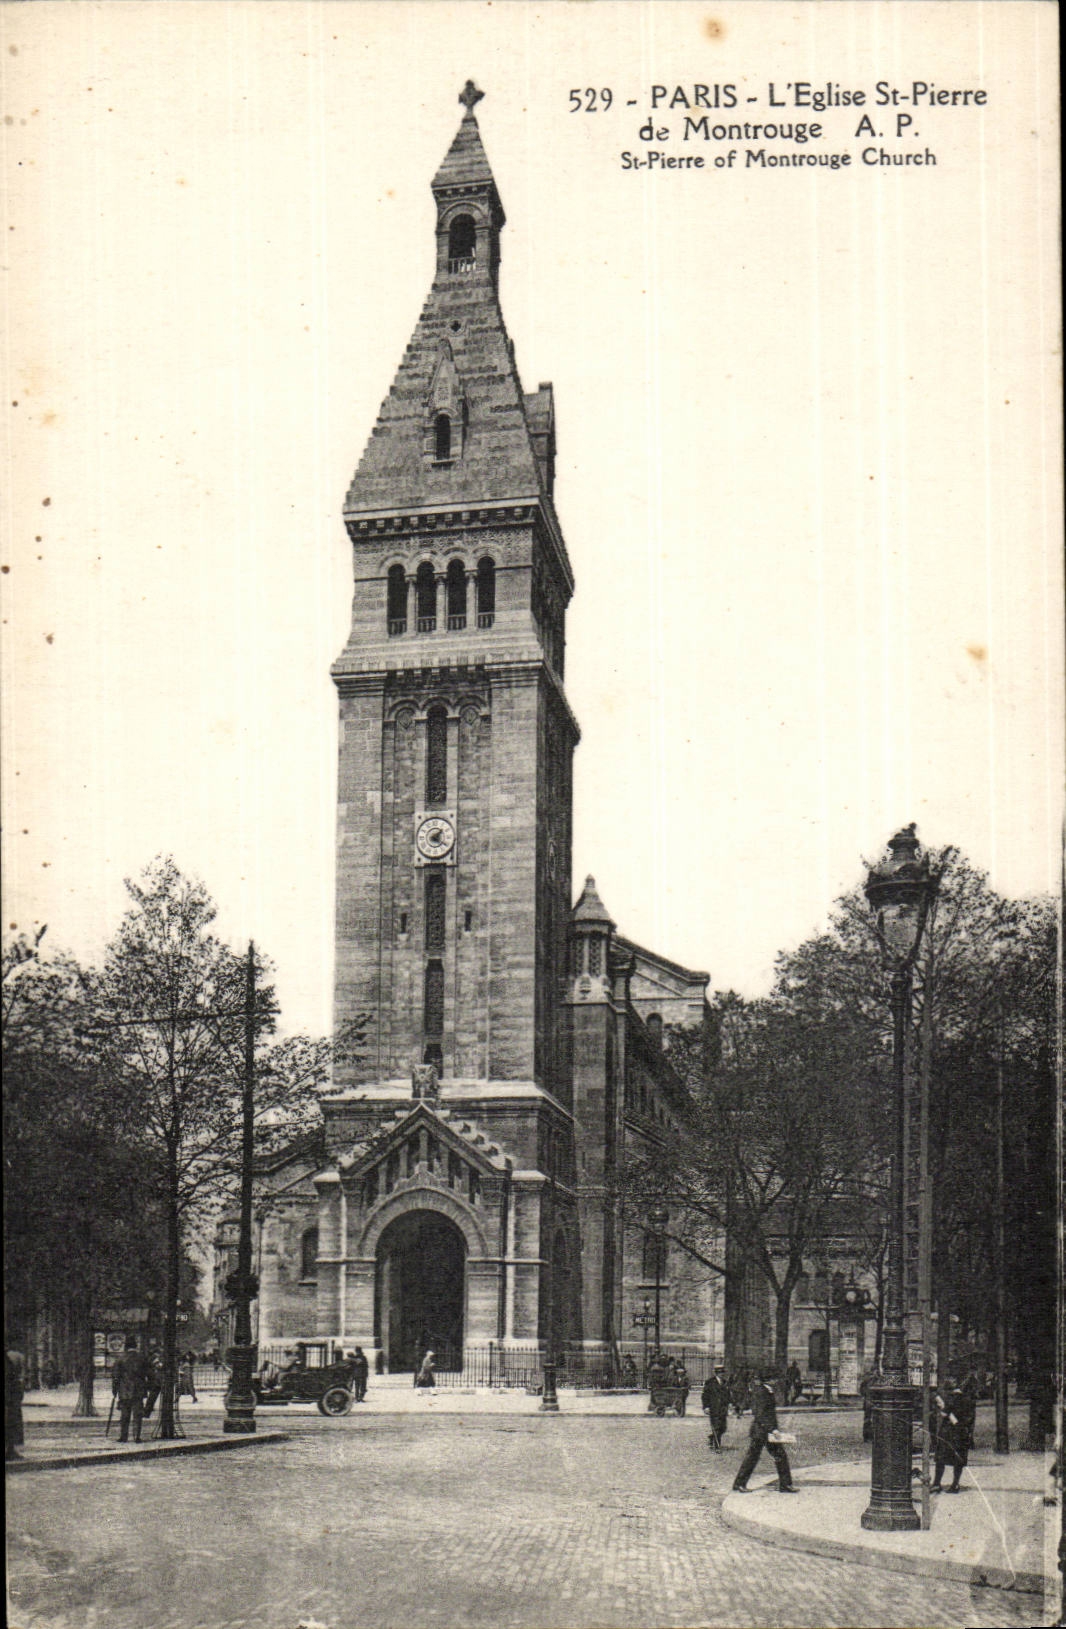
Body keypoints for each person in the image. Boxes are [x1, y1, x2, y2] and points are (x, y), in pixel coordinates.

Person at [732, 1370, 796, 1493]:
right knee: (755, 1457)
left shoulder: (765, 1390)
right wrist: (773, 1429)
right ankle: (740, 1484)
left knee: (775, 1456)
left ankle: (785, 1484)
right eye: (775, 1379)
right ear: (771, 1380)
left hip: (764, 1431)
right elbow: (760, 1414)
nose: (777, 1381)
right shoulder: (762, 1392)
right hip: (762, 1431)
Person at [111, 1336, 152, 1444]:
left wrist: (115, 1390)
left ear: (126, 1347)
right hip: (138, 1390)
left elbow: (116, 1377)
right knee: (137, 1415)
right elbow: (149, 1374)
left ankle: (123, 1437)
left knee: (125, 1415)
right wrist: (146, 1387)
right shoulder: (142, 1358)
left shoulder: (120, 1359)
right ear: (135, 1346)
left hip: (124, 1390)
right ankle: (136, 1436)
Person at [931, 1374, 968, 1492]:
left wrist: (941, 1406)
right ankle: (955, 1484)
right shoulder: (965, 1398)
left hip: (948, 1431)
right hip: (961, 1431)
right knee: (958, 1459)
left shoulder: (950, 1398)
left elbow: (945, 1413)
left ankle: (937, 1483)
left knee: (940, 1458)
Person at [701, 1364, 729, 1449]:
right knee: (716, 1426)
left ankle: (712, 1437)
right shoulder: (710, 1382)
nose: (721, 1374)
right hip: (714, 1408)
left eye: (722, 1372)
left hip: (723, 1408)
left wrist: (730, 1403)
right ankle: (717, 1446)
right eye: (720, 1373)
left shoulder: (725, 1382)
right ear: (716, 1373)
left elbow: (727, 1395)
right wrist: (706, 1407)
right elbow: (705, 1395)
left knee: (723, 1428)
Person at [6, 1347, 25, 1461]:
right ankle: (10, 1450)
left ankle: (10, 1450)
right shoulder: (17, 1357)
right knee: (12, 1424)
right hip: (11, 1398)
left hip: (11, 1397)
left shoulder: (9, 1357)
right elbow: (19, 1378)